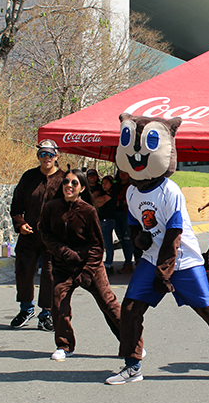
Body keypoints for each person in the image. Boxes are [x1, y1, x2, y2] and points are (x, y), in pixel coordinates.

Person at [106, 113, 209, 385]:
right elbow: (134, 224)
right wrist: (139, 241)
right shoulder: (131, 191)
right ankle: (132, 365)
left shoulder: (169, 190)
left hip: (182, 260)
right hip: (153, 259)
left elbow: (174, 235)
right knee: (130, 309)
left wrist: (164, 272)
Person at [40, 169, 128, 360]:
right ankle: (65, 345)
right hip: (63, 266)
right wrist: (65, 253)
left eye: (74, 183)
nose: (69, 186)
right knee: (58, 303)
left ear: (81, 188)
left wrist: (88, 271)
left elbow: (98, 245)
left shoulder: (88, 210)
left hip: (90, 265)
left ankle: (131, 343)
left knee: (109, 303)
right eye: (66, 182)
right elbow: (45, 235)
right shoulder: (51, 207)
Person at [8, 139, 64, 331]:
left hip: (52, 237)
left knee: (49, 275)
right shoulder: (28, 177)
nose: (46, 158)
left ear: (57, 155)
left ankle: (46, 313)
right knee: (23, 271)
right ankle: (26, 308)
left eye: (50, 154)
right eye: (42, 154)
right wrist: (20, 223)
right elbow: (16, 206)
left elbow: (72, 208)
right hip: (29, 235)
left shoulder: (64, 179)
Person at [112, 170, 136, 274]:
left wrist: (121, 202)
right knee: (121, 239)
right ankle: (128, 262)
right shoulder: (115, 186)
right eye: (121, 172)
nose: (123, 174)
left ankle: (130, 262)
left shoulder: (132, 185)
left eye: (125, 172)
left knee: (128, 239)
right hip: (115, 215)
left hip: (127, 214)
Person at [93, 175, 117, 272]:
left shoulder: (112, 193)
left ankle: (108, 263)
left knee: (107, 243)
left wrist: (97, 199)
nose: (104, 185)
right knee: (99, 243)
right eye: (103, 183)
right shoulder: (100, 192)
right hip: (100, 219)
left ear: (111, 184)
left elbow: (100, 202)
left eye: (106, 183)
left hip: (108, 220)